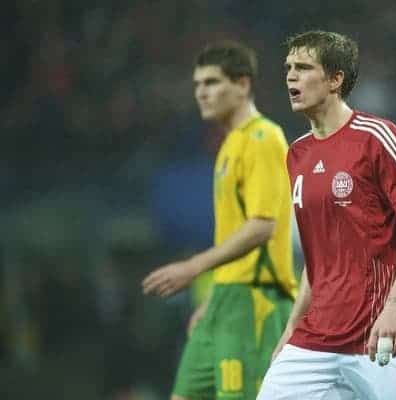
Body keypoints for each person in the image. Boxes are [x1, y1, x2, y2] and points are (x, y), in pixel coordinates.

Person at [257, 30, 396, 400]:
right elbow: (319, 257)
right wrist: (293, 328)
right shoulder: (296, 155)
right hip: (318, 336)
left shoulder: (377, 136)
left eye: (303, 67)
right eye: (288, 68)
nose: (291, 76)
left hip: (387, 333)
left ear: (335, 79)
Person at [142, 41, 298, 400]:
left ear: (243, 84)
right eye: (197, 85)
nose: (201, 93)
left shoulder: (264, 138)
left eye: (211, 82)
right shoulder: (230, 145)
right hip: (224, 301)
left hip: (255, 301)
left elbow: (263, 227)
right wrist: (214, 299)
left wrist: (193, 267)